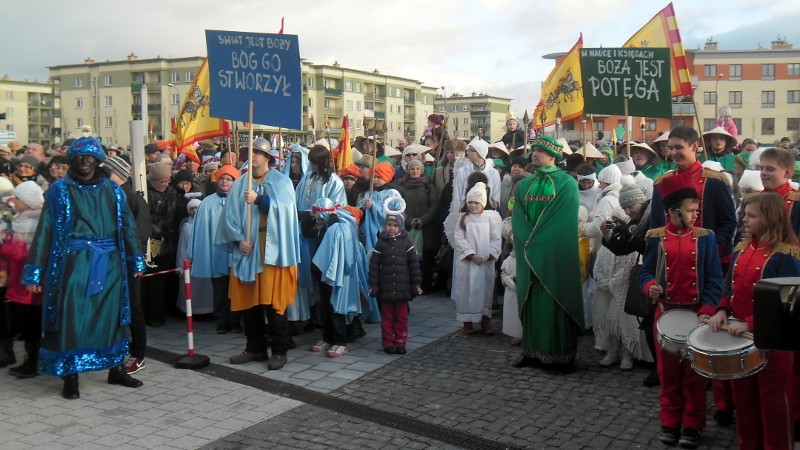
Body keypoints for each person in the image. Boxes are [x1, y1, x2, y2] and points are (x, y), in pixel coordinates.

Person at [22, 136, 145, 399]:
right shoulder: (59, 190)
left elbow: (127, 226)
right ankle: (70, 375)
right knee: (72, 318)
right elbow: (45, 230)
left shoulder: (113, 190)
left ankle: (115, 369)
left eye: (90, 157)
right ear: (72, 161)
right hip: (74, 265)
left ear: (99, 160)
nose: (85, 162)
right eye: (79, 157)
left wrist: (135, 258)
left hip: (111, 264)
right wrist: (35, 270)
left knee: (111, 318)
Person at [708, 192, 798, 449]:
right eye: (744, 214)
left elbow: (788, 301)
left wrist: (749, 322)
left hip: (773, 344)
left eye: (752, 215)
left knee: (774, 407)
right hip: (739, 341)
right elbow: (729, 288)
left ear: (770, 218)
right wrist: (722, 310)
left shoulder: (787, 255)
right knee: (744, 403)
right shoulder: (741, 248)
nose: (744, 220)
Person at [638, 187, 723, 448]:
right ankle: (670, 420)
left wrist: (707, 310)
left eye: (696, 210)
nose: (695, 215)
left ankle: (693, 424)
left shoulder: (705, 238)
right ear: (673, 212)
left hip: (697, 316)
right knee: (669, 375)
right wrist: (650, 284)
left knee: (695, 377)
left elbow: (715, 280)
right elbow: (645, 271)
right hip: (665, 315)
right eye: (690, 210)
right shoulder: (656, 237)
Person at [218, 138, 301, 371]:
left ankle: (279, 350)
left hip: (272, 249)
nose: (252, 156)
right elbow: (229, 216)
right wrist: (238, 239)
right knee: (250, 302)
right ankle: (254, 347)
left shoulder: (281, 182)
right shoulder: (240, 183)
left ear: (268, 158)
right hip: (248, 248)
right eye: (249, 152)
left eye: (257, 153)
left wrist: (260, 200)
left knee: (274, 301)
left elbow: (285, 213)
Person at [512, 136, 584, 373]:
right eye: (533, 150)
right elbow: (519, 217)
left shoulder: (566, 183)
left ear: (553, 156)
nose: (534, 154)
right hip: (529, 250)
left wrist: (537, 242)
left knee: (553, 298)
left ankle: (559, 355)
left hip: (554, 253)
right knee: (531, 299)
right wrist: (526, 241)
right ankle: (531, 349)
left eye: (540, 151)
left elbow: (561, 220)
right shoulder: (524, 184)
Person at [102, 156, 151, 375]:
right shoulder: (109, 196)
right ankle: (114, 351)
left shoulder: (133, 199)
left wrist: (134, 261)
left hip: (129, 263)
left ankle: (138, 354)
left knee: (134, 307)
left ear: (117, 175)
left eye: (106, 173)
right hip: (110, 262)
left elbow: (140, 235)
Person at [309, 199, 370, 357]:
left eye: (317, 213)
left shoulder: (339, 227)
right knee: (326, 307)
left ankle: (340, 341)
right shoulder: (323, 226)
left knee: (337, 307)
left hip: (337, 274)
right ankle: (327, 337)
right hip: (324, 272)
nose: (315, 216)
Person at [190, 165, 242, 334]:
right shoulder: (207, 203)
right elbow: (200, 230)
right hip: (216, 253)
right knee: (219, 289)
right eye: (222, 178)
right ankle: (221, 320)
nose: (225, 181)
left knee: (236, 288)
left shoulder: (241, 200)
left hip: (235, 252)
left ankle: (235, 321)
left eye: (229, 179)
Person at [1, 182, 44, 378]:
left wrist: (6, 247)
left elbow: (27, 254)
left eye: (17, 198)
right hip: (19, 279)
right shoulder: (20, 219)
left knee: (31, 322)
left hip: (30, 285)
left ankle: (33, 362)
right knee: (27, 321)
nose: (14, 201)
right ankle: (30, 358)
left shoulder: (33, 224)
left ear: (27, 202)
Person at [369, 200, 422, 354]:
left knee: (401, 317)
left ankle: (400, 341)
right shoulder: (381, 243)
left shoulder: (406, 243)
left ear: (401, 226)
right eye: (389, 225)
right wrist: (374, 285)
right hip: (386, 288)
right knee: (387, 318)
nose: (392, 228)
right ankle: (387, 342)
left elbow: (414, 265)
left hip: (402, 288)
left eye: (395, 225)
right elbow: (374, 266)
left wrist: (416, 283)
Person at [451, 182, 502, 335]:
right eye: (470, 202)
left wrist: (488, 255)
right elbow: (459, 239)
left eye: (476, 202)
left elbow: (496, 238)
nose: (473, 205)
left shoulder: (490, 218)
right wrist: (471, 255)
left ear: (483, 203)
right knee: (466, 290)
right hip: (468, 262)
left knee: (485, 290)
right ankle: (467, 321)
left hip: (485, 262)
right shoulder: (463, 220)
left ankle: (485, 321)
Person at [396, 159, 439, 292]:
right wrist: (409, 220)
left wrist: (423, 219)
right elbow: (399, 206)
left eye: (418, 169)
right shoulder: (402, 187)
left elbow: (434, 205)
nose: (415, 171)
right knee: (408, 257)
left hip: (426, 228)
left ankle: (424, 285)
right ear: (408, 171)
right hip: (409, 227)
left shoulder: (428, 186)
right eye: (412, 169)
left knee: (426, 259)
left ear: (421, 171)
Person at [450, 137, 501, 214]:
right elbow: (457, 196)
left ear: (480, 152)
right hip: (466, 213)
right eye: (468, 150)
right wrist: (456, 215)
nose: (468, 152)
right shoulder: (462, 171)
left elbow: (495, 197)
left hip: (486, 215)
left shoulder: (493, 173)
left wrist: (493, 214)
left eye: (471, 150)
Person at [500, 218, 522, 345]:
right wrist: (508, 281)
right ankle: (516, 332)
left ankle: (524, 332)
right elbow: (504, 272)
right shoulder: (509, 260)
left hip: (522, 289)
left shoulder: (526, 260)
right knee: (512, 311)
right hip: (511, 292)